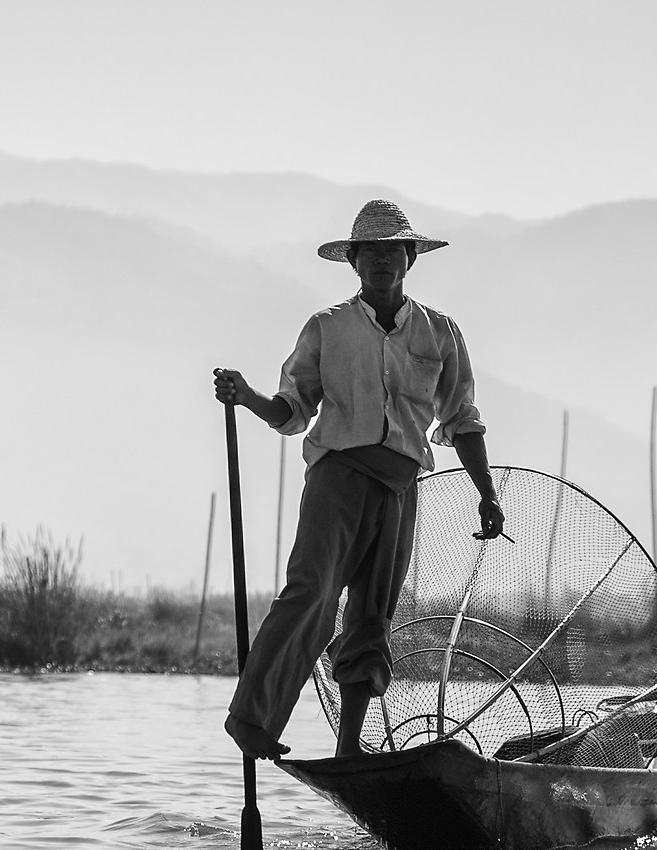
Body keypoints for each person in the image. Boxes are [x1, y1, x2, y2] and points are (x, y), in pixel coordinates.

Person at [211, 199, 503, 761]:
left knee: (372, 618)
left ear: (410, 259)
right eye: (371, 253)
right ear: (355, 262)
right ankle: (253, 720)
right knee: (311, 594)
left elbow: (462, 419)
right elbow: (292, 411)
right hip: (339, 477)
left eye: (393, 252)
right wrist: (246, 398)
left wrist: (486, 492)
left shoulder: (439, 332)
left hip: (400, 486)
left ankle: (351, 752)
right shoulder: (328, 328)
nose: (382, 262)